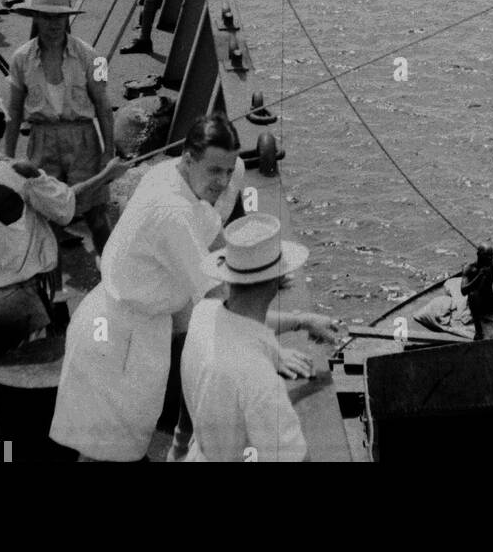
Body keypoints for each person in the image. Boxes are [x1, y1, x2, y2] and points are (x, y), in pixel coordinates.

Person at [50, 114, 334, 462]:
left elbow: (213, 236)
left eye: (229, 170)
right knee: (106, 454)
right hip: (118, 339)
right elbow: (229, 308)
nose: (224, 180)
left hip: (137, 323)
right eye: (215, 171)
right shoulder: (172, 213)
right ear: (188, 158)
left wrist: (250, 261)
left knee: (117, 449)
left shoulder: (173, 174)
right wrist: (284, 337)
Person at [0, 89, 128, 382]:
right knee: (28, 382)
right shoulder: (18, 173)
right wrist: (107, 176)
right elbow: (66, 206)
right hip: (19, 302)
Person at [179, 213, 314, 462]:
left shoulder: (202, 314)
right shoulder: (258, 376)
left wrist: (302, 320)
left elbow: (242, 328)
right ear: (279, 280)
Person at [1, 0, 115, 254]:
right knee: (46, 216)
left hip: (83, 140)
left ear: (68, 17)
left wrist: (108, 151)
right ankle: (55, 287)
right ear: (35, 18)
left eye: (59, 16)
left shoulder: (92, 57)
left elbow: (103, 104)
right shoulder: (20, 58)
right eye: (47, 16)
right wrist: (7, 156)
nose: (53, 24)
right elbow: (14, 111)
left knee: (96, 215)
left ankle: (113, 273)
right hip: (42, 140)